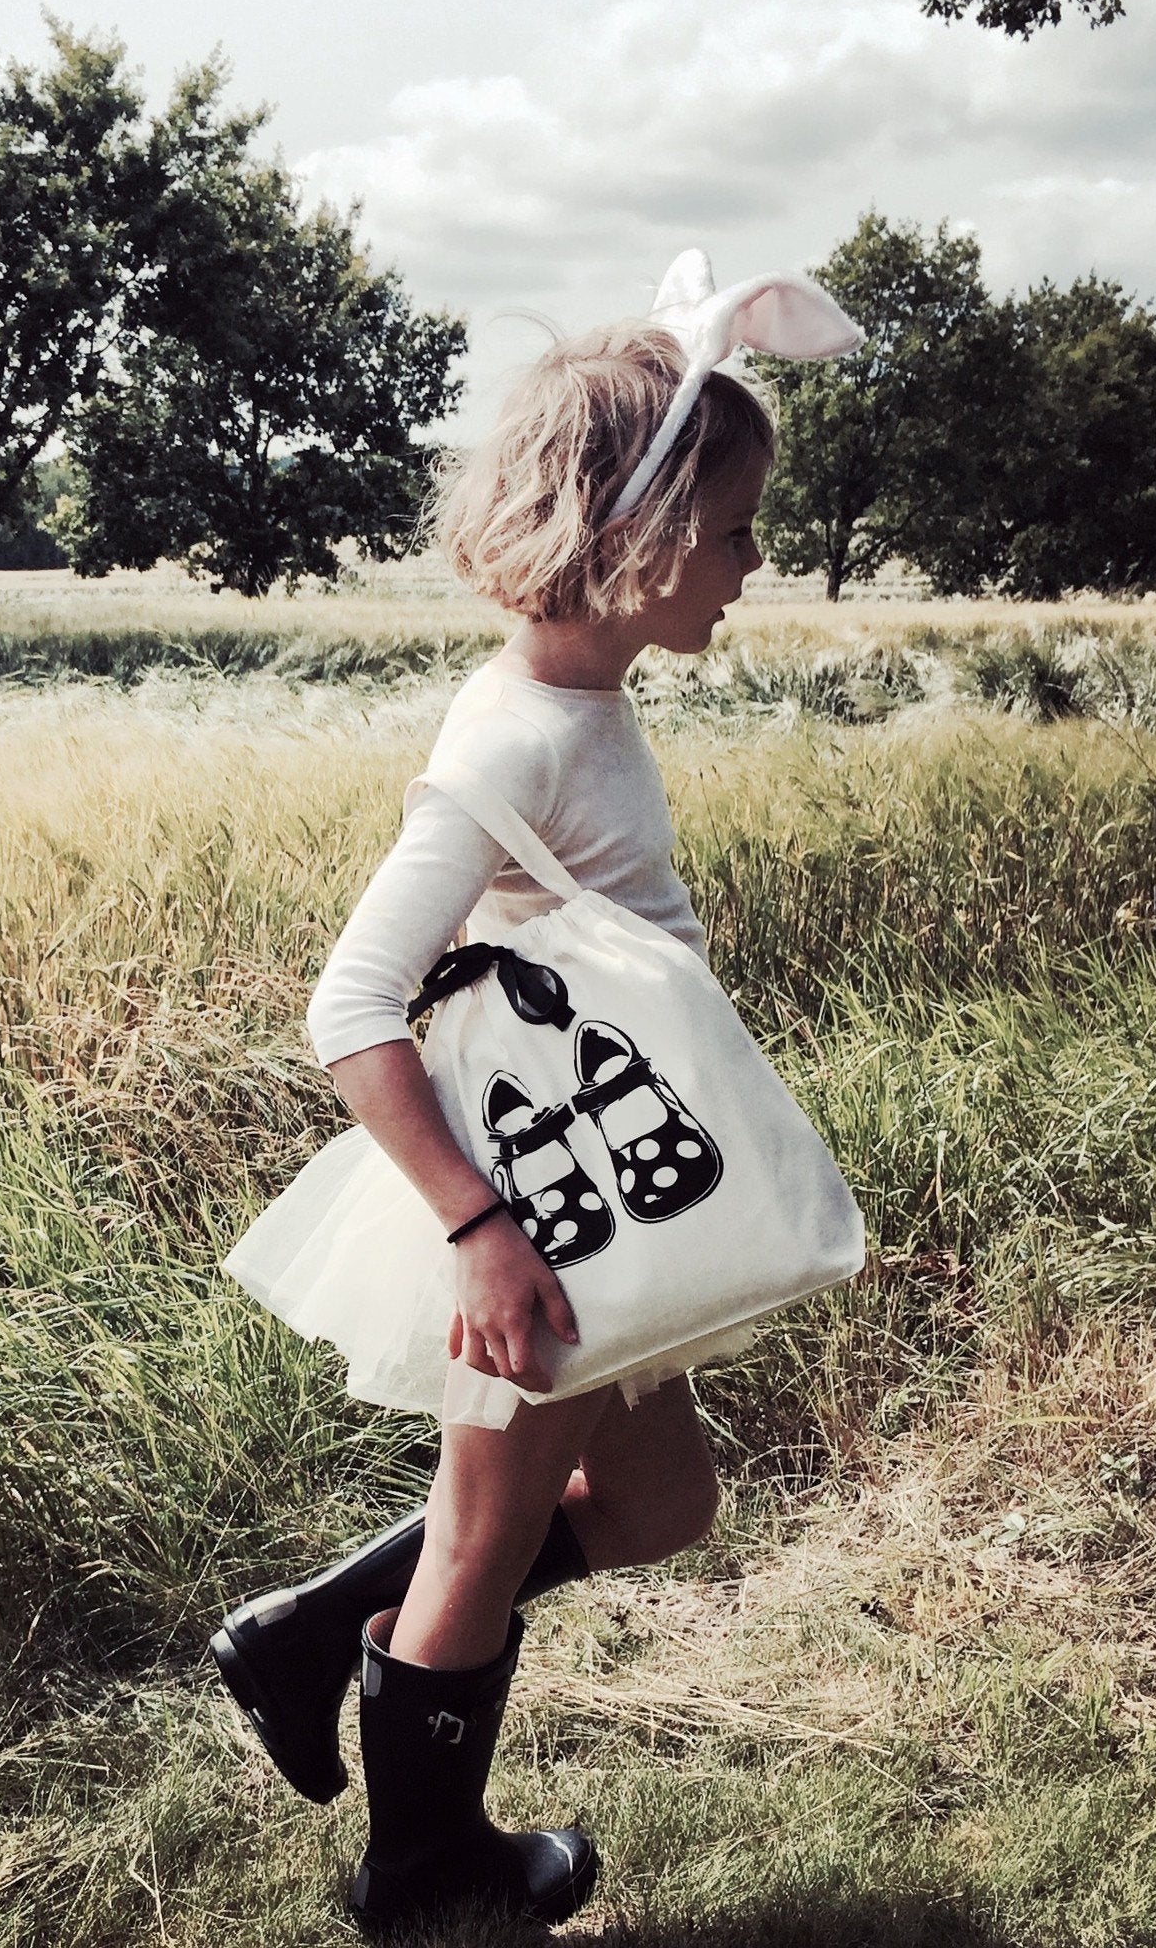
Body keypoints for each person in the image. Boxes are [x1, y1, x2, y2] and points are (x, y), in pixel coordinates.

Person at [212, 255, 861, 1936]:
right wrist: (484, 1235)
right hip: (539, 1223)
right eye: (732, 533)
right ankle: (428, 1877)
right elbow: (351, 1004)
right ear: (640, 542)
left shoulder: (580, 698)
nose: (750, 564)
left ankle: (298, 1642)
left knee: (660, 1506)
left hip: (593, 1194)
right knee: (479, 1550)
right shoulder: (519, 743)